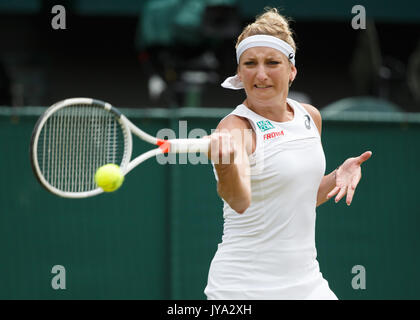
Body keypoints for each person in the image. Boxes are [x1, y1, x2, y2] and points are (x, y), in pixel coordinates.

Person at [204, 8, 372, 300]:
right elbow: (239, 201)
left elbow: (300, 198)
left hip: (307, 283)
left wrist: (336, 176)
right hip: (243, 288)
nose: (261, 74)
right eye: (250, 63)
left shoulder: (309, 117)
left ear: (291, 70)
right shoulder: (235, 127)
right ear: (239, 73)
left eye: (272, 63)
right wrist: (226, 165)